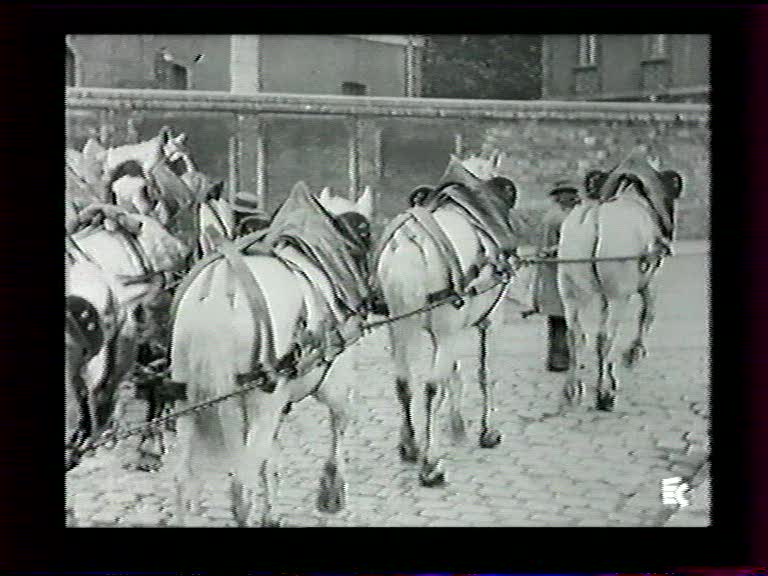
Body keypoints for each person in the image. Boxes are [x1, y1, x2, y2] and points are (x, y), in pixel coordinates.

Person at [531, 179, 582, 372]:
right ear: (559, 196)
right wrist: (561, 250)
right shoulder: (554, 218)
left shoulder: (573, 215)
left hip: (571, 273)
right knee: (559, 319)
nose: (574, 197)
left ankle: (568, 356)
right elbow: (545, 250)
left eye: (574, 193)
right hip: (556, 274)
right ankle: (558, 359)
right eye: (568, 193)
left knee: (571, 318)